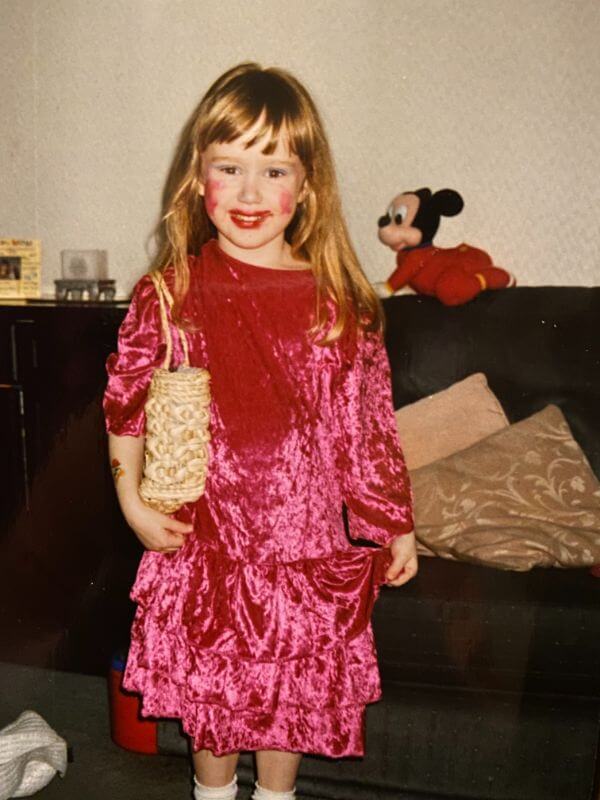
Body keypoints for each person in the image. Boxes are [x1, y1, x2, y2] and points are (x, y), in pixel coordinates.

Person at [103, 62, 417, 800]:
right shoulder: (169, 293)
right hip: (204, 541)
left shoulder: (340, 303)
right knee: (214, 702)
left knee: (287, 701)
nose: (249, 194)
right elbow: (126, 408)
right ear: (197, 178)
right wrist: (133, 505)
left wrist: (394, 523)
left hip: (304, 546)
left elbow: (366, 428)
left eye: (273, 168)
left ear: (306, 186)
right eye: (229, 167)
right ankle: (211, 795)